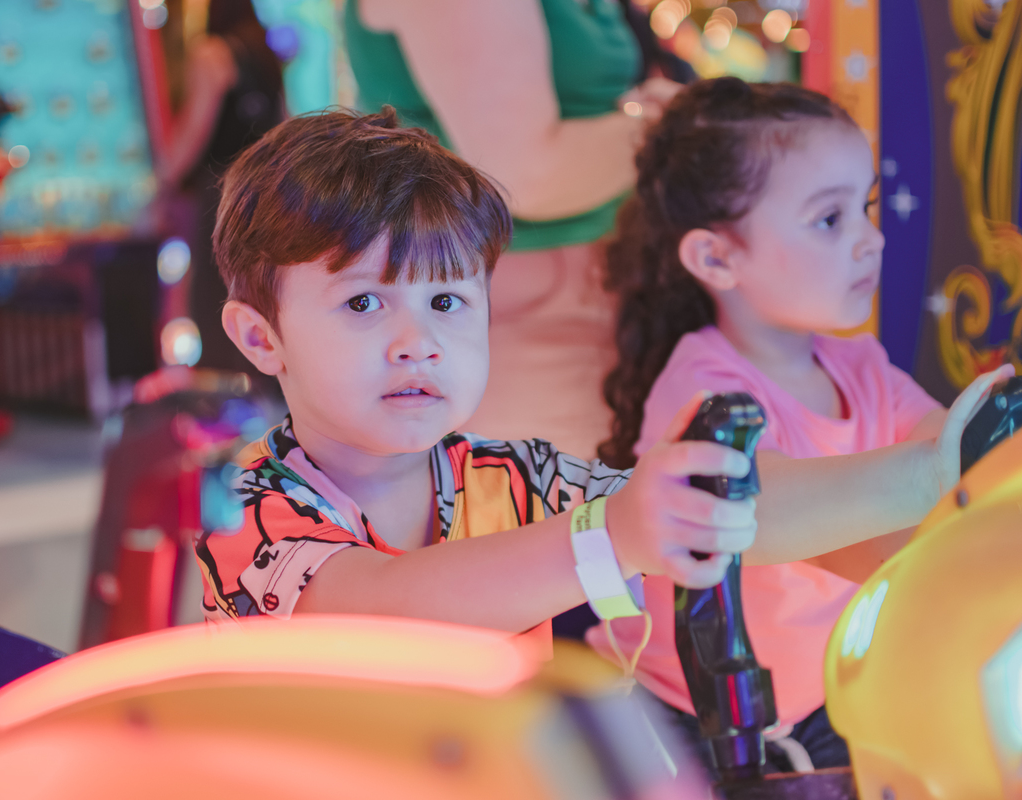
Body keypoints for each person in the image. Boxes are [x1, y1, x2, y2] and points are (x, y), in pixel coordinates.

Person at [194, 107, 1006, 648]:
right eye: (364, 301)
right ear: (261, 337)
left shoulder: (513, 476)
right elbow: (391, 607)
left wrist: (941, 483)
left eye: (446, 298)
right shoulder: (245, 514)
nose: (418, 341)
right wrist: (617, 533)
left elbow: (724, 509)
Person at [594, 77, 1014, 774]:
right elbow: (748, 509)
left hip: (819, 705)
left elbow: (948, 452)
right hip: (681, 721)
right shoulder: (701, 386)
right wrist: (939, 473)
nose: (871, 239)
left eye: (867, 208)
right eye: (830, 219)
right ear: (715, 258)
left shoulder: (859, 366)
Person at [343, 0, 683, 462]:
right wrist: (661, 127)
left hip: (592, 297)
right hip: (517, 311)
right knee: (550, 510)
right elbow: (525, 175)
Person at [157, 0, 283, 385]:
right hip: (265, 199)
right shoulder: (265, 52)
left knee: (216, 312)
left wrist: (158, 177)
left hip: (221, 199)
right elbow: (282, 123)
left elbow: (193, 133)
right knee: (256, 302)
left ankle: (226, 423)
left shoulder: (211, 52)